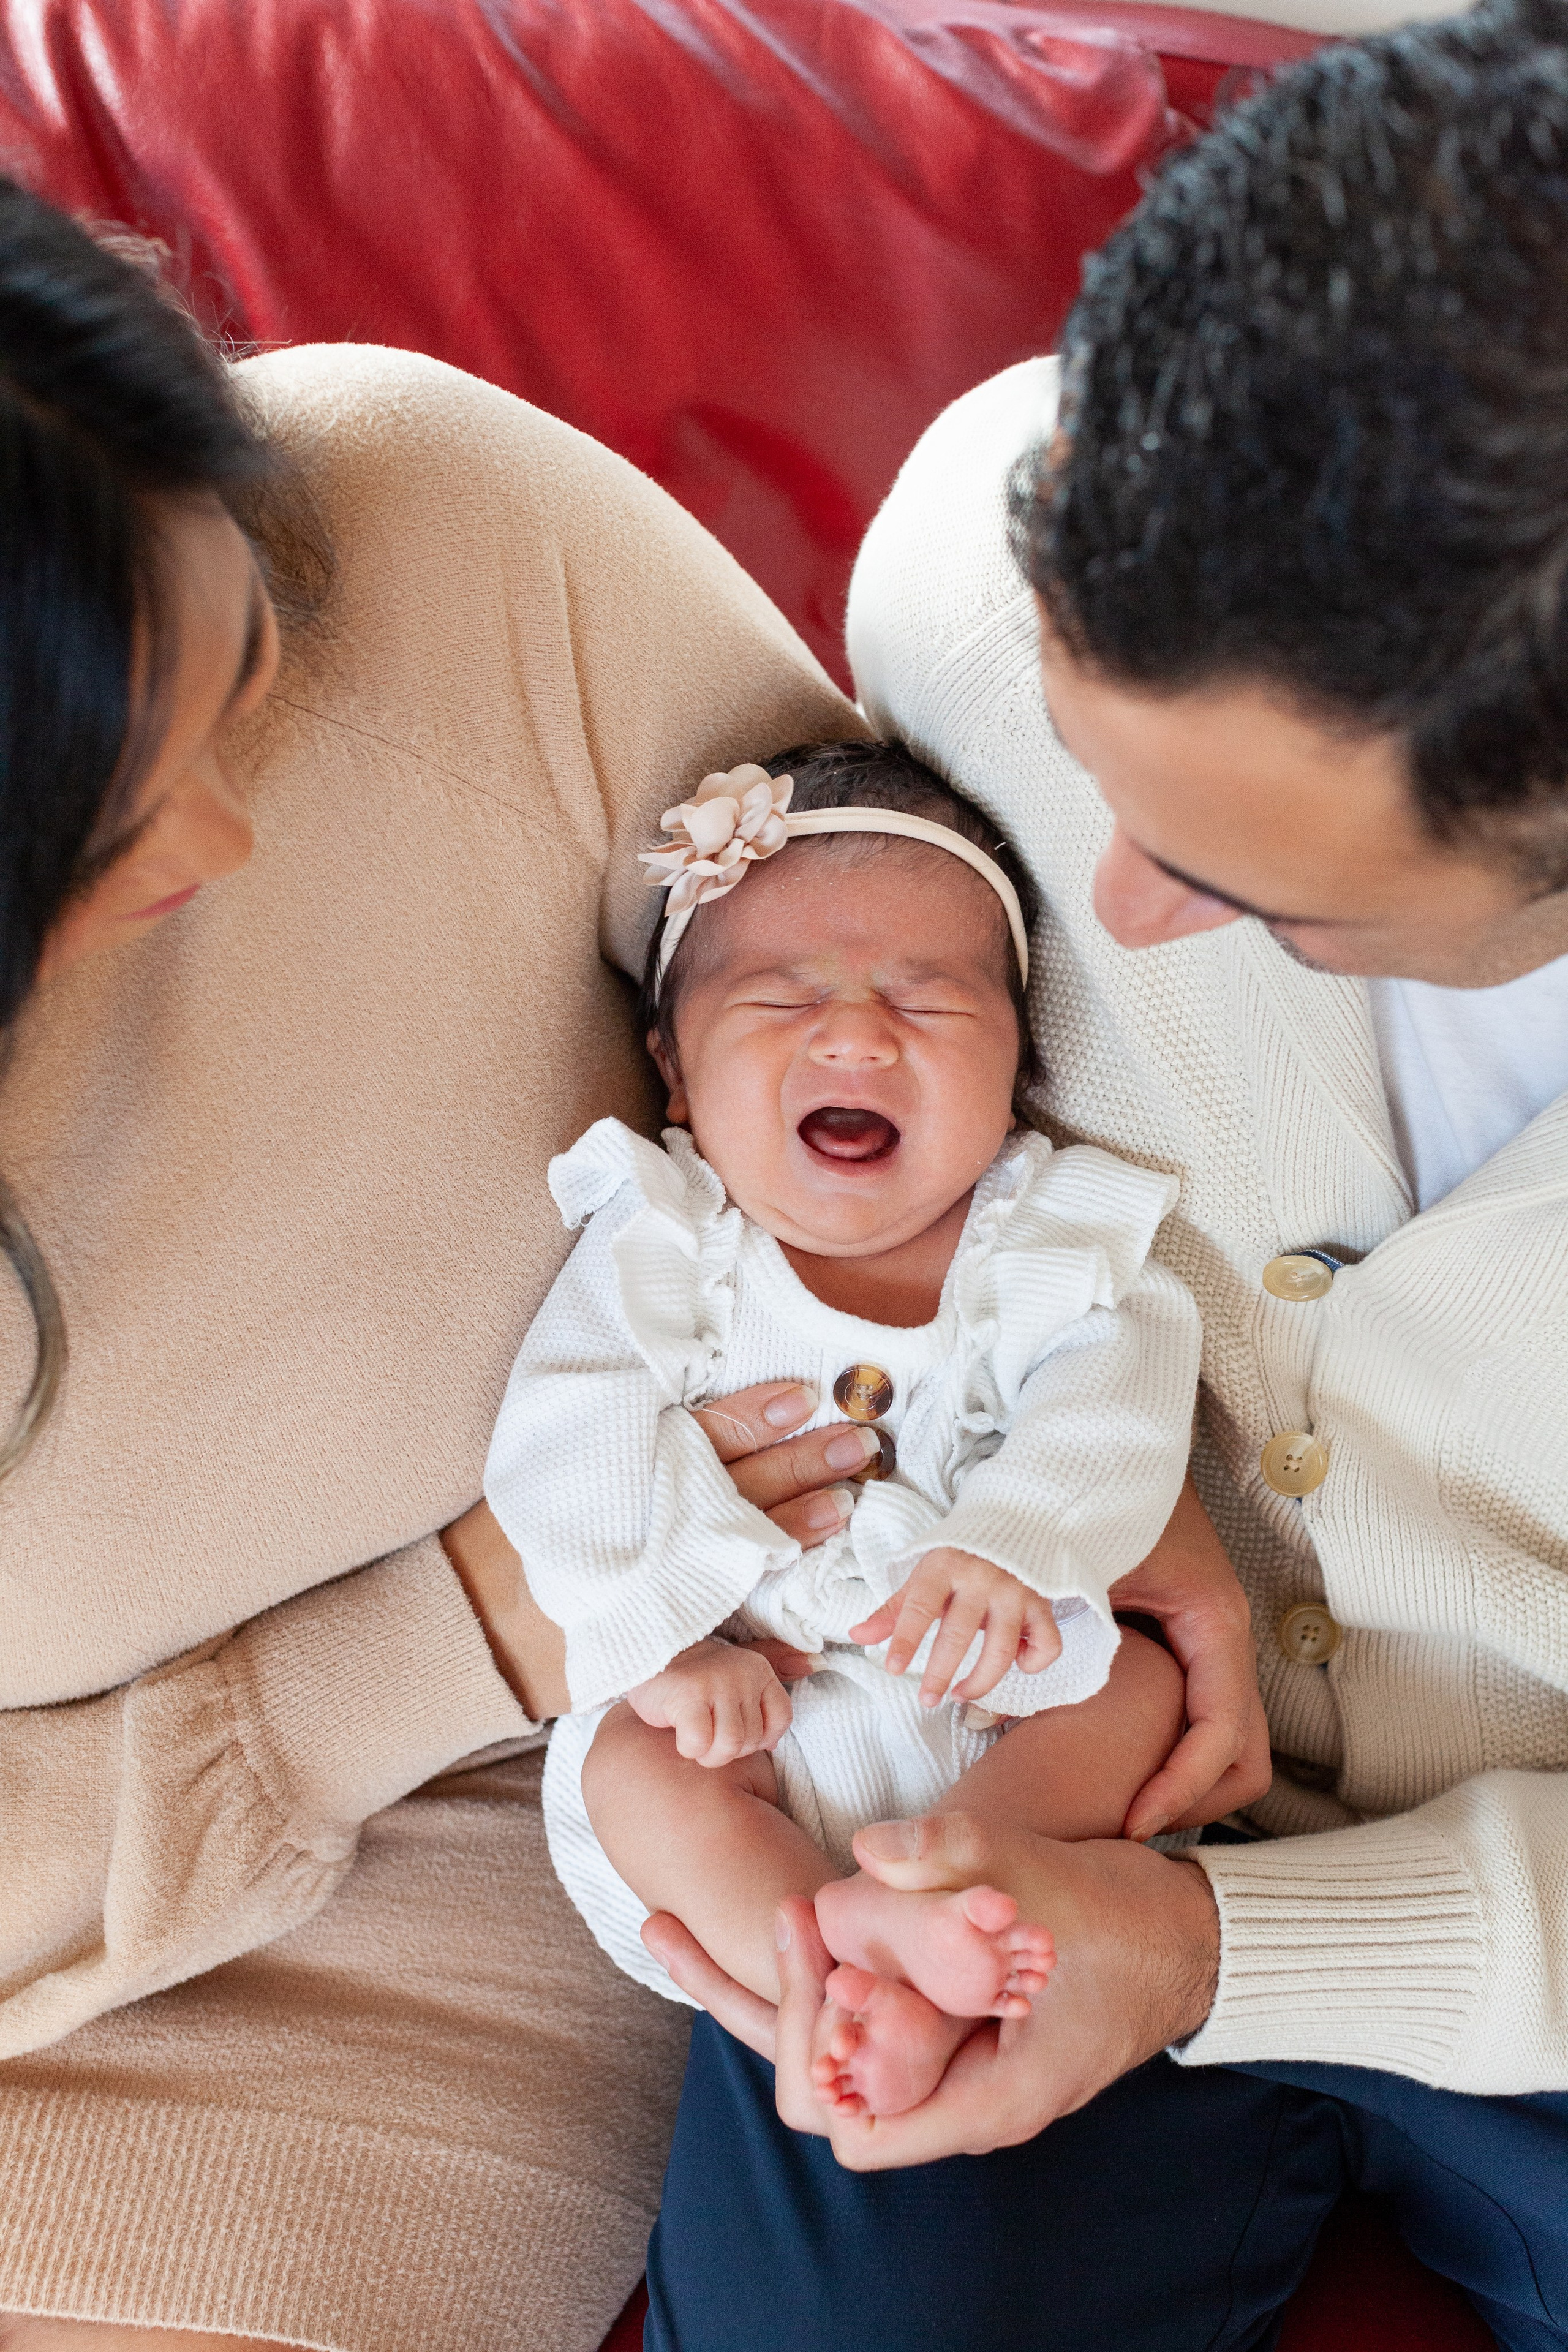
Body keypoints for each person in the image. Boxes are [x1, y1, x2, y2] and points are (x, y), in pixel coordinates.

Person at [637, 6, 1568, 2350]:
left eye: (1258, 892)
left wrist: (1222, 1951)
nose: (1109, 918)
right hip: (1022, 1761)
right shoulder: (977, 555)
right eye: (1079, 767)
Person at [0, 176, 884, 2351]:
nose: (224, 837)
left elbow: (935, 985)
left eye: (238, 676)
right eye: (103, 818)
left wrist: (1122, 1476)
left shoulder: (438, 535)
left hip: (455, 1902)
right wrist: (445, 1631)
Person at [483, 739, 1206, 2119]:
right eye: (782, 996)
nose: (858, 1036)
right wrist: (664, 1640)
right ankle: (826, 1964)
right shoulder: (668, 1237)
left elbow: (1118, 1397)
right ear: (674, 1071)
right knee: (643, 1765)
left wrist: (1015, 1540)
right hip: (745, 1698)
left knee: (1141, 1692)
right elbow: (566, 1433)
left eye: (927, 1001)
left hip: (984, 1680)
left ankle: (939, 1895)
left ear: (1017, 1067)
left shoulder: (1047, 1240)